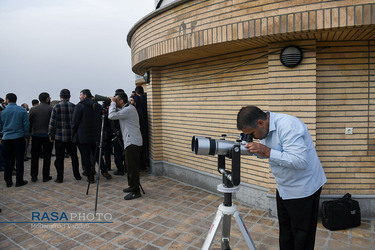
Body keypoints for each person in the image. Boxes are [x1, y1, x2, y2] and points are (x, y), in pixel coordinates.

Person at [236, 105, 327, 250]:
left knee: (302, 235)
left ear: (260, 123)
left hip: (304, 188)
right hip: (284, 188)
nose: (253, 137)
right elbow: (274, 154)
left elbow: (300, 161)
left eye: (252, 133)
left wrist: (267, 151)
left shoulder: (289, 126)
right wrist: (257, 151)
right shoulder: (264, 129)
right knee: (286, 232)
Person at [108, 92, 142, 200]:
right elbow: (118, 112)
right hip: (131, 141)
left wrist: (112, 103)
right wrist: (112, 103)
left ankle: (136, 191)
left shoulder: (129, 109)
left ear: (121, 101)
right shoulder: (127, 108)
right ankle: (132, 186)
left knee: (132, 168)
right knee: (130, 165)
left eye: (116, 100)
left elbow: (111, 115)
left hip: (132, 142)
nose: (115, 101)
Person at [72, 89, 111, 183]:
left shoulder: (79, 106)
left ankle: (90, 177)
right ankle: (104, 170)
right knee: (97, 154)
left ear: (85, 96)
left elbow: (75, 122)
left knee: (85, 157)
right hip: (95, 135)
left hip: (83, 136)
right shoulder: (97, 106)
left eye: (80, 95)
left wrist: (73, 135)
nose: (79, 97)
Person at [49, 89, 81, 183]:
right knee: (74, 157)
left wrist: (51, 134)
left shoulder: (56, 107)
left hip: (59, 137)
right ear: (69, 96)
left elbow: (52, 123)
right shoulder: (74, 106)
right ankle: (77, 175)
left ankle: (60, 177)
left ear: (60, 96)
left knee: (59, 158)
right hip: (71, 137)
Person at [0, 93, 29, 187]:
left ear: (7, 100)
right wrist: (25, 135)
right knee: (19, 160)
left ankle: (8, 181)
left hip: (6, 138)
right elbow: (26, 125)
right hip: (19, 137)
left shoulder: (3, 112)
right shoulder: (22, 111)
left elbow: (0, 127)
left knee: (8, 160)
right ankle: (19, 180)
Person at [29, 92, 53, 182]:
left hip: (35, 134)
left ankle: (34, 176)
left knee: (34, 156)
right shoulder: (51, 108)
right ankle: (45, 176)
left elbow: (29, 122)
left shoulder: (33, 109)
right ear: (47, 99)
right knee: (47, 156)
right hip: (47, 135)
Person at [133, 86, 149, 171]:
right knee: (145, 147)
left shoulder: (136, 110)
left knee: (141, 148)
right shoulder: (147, 99)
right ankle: (145, 163)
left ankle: (141, 165)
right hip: (146, 127)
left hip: (140, 130)